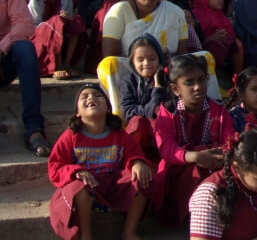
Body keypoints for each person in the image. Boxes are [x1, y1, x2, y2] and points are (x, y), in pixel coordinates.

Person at [48, 84, 153, 240]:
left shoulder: (119, 134)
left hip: (113, 184)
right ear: (77, 112)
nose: (91, 98)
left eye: (97, 95)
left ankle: (129, 231)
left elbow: (134, 154)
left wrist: (137, 163)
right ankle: (86, 235)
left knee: (141, 178)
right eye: (84, 97)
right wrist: (76, 172)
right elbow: (55, 166)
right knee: (77, 188)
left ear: (108, 108)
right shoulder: (71, 136)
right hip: (87, 188)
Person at [154, 54, 235, 226]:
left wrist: (217, 155)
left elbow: (229, 140)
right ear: (175, 89)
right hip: (180, 168)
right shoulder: (168, 113)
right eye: (189, 82)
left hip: (215, 161)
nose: (198, 87)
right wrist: (195, 157)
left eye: (202, 80)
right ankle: (197, 221)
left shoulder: (219, 111)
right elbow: (166, 148)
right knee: (194, 173)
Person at [0, 0, 48, 156]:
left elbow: (24, 23)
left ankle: (33, 128)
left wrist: (1, 49)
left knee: (25, 50)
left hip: (4, 57)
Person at [27, 0, 85, 79]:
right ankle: (57, 66)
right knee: (57, 22)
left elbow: (68, 17)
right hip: (41, 38)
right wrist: (55, 22)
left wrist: (65, 17)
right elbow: (35, 26)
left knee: (77, 21)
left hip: (61, 33)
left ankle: (67, 63)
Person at [119, 35, 167, 159]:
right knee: (138, 121)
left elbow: (164, 109)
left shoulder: (167, 80)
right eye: (140, 59)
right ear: (132, 62)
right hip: (138, 136)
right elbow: (129, 111)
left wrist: (158, 86)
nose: (146, 63)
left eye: (152, 59)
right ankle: (135, 159)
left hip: (162, 134)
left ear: (159, 60)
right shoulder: (128, 82)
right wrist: (150, 109)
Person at [191, 0, 244, 76]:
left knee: (237, 43)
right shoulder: (196, 16)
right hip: (203, 57)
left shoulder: (219, 15)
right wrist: (211, 38)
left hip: (223, 55)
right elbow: (195, 44)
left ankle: (238, 77)